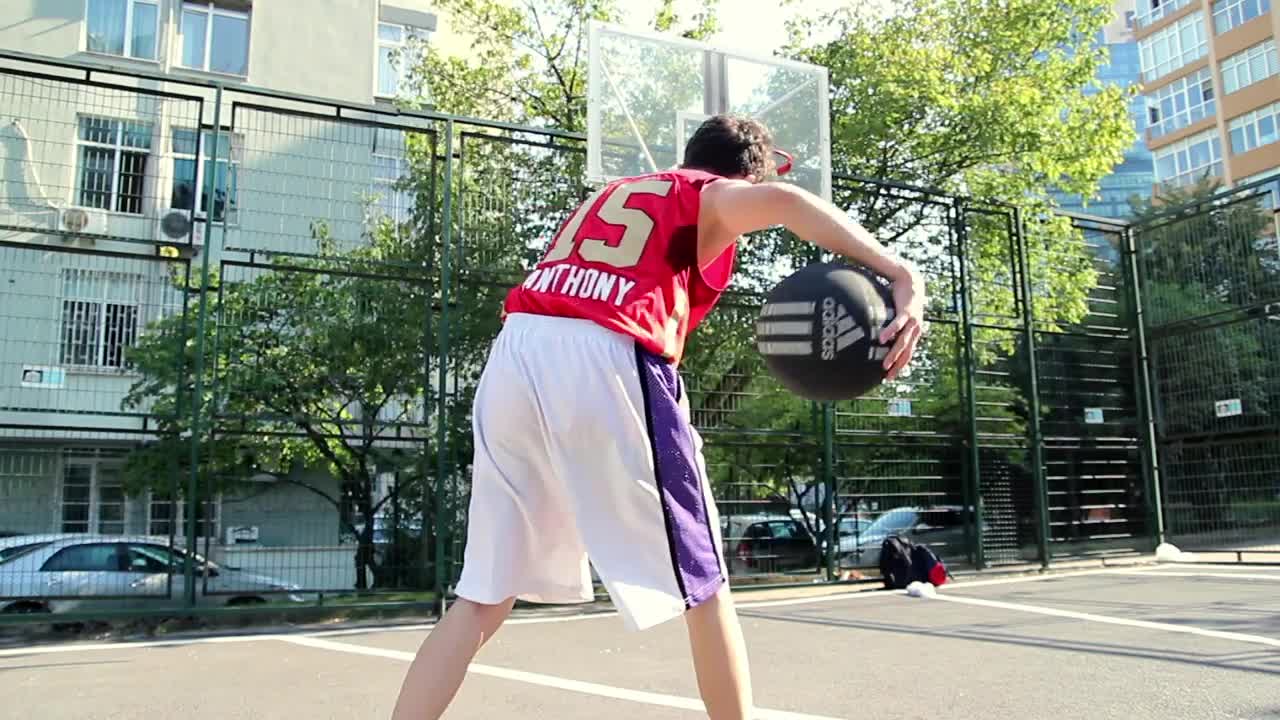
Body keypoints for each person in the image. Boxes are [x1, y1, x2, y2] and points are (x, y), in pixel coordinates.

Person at [390, 115, 927, 720]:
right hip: (607, 353)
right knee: (706, 582)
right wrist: (901, 273)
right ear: (743, 173)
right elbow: (783, 201)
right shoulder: (709, 194)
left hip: (517, 350)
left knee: (483, 596)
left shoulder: (613, 195)